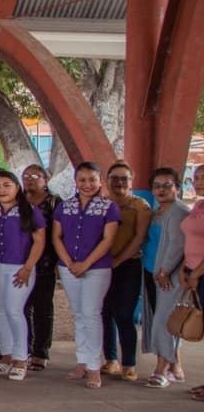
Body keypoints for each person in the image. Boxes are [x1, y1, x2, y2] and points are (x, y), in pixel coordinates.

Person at [52, 162, 120, 390]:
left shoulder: (108, 207)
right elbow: (56, 237)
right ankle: (82, 361)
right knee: (79, 314)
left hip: (97, 268)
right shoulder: (64, 207)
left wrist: (86, 263)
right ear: (76, 181)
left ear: (100, 181)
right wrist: (70, 262)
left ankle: (93, 366)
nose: (87, 184)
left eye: (92, 179)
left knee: (91, 314)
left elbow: (108, 240)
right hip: (69, 267)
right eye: (82, 180)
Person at [0, 170, 46, 382]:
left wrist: (28, 267)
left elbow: (39, 241)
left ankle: (21, 358)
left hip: (20, 267)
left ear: (17, 188)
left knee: (14, 310)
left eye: (7, 185)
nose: (2, 190)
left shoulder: (29, 210)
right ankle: (7, 355)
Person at [100, 161, 152, 381]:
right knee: (105, 312)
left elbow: (140, 237)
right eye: (115, 178)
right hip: (102, 265)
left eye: (124, 178)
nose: (119, 182)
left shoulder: (140, 205)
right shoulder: (100, 204)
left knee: (124, 313)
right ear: (107, 180)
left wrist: (119, 259)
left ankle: (128, 363)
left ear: (131, 181)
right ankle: (110, 360)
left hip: (129, 264)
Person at [142, 167, 189, 388]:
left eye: (167, 185)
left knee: (164, 321)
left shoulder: (178, 211)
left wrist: (165, 270)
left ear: (177, 188)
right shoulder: (158, 212)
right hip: (153, 272)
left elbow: (178, 245)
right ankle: (175, 367)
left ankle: (161, 369)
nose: (161, 190)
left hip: (169, 277)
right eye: (157, 185)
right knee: (162, 320)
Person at [21, 164, 61, 371]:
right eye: (26, 176)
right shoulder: (18, 201)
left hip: (46, 263)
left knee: (43, 308)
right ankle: (24, 348)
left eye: (35, 176)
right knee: (22, 307)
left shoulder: (54, 203)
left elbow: (59, 234)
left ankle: (40, 351)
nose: (29, 179)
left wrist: (59, 262)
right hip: (19, 262)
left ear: (45, 180)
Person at [180, 167, 204, 400]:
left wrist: (196, 273)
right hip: (192, 270)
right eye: (196, 178)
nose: (199, 182)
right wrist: (184, 269)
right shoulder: (197, 206)